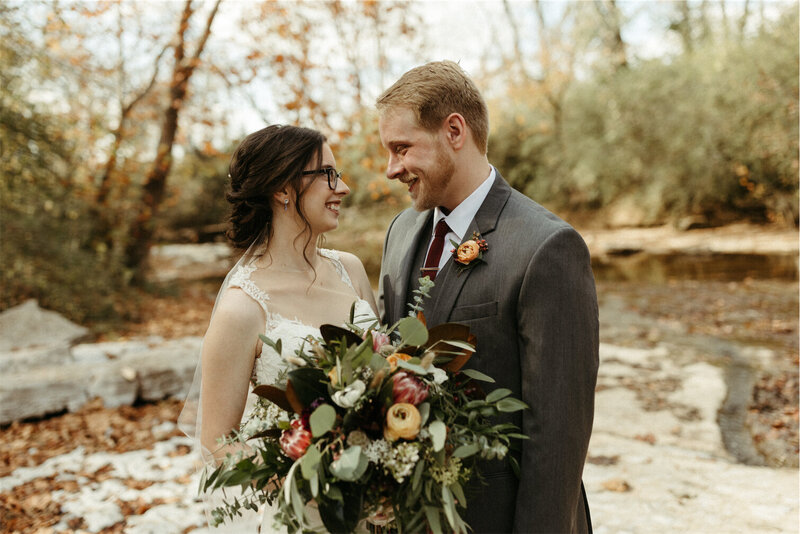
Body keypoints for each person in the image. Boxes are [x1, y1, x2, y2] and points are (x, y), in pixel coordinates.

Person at [377, 61, 599, 533]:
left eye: (402, 148)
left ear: (454, 130)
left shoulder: (546, 246)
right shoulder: (400, 232)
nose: (391, 168)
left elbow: (558, 433)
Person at [179, 124, 378, 532]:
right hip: (305, 516)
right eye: (327, 174)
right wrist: (302, 482)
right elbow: (217, 441)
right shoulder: (242, 306)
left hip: (376, 507)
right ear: (282, 190)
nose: (342, 187)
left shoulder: (351, 271)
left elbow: (385, 371)